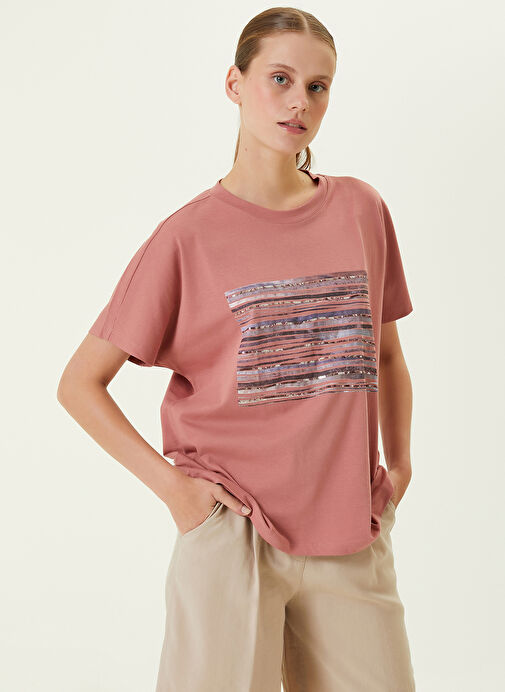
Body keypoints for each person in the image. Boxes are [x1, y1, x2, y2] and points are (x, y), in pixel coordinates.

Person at [57, 6, 416, 691]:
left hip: (350, 530)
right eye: (280, 79)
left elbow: (387, 354)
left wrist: (398, 467)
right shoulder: (187, 237)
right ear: (234, 83)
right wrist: (176, 492)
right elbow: (79, 384)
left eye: (317, 86)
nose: (298, 101)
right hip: (232, 531)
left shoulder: (360, 210)